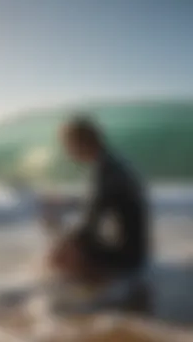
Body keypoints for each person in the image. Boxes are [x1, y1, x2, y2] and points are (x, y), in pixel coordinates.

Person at [43, 115, 149, 284]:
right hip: (136, 254)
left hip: (127, 261)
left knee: (60, 255)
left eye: (68, 145)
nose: (67, 151)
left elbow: (89, 227)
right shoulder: (112, 164)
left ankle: (93, 296)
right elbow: (101, 202)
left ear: (81, 143)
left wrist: (62, 243)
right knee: (69, 243)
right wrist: (68, 203)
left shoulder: (105, 172)